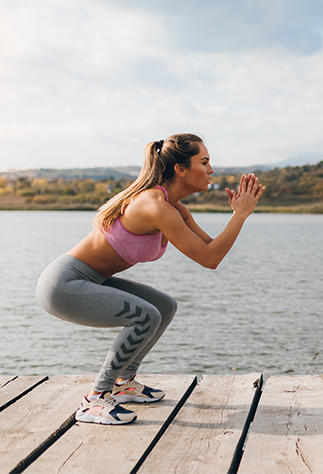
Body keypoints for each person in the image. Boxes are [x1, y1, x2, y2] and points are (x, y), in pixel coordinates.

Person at [35, 133, 265, 425]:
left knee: (164, 306)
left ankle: (123, 382)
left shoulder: (174, 207)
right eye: (204, 162)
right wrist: (240, 216)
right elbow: (210, 259)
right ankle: (94, 399)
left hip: (91, 280)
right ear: (180, 169)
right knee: (145, 316)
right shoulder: (154, 205)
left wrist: (237, 214)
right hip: (63, 285)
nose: (211, 170)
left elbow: (210, 249)